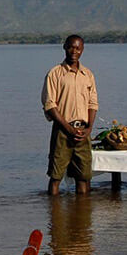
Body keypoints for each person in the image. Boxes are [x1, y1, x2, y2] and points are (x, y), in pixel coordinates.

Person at [42, 34, 99, 195]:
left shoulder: (87, 74)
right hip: (62, 131)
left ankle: (81, 210)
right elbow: (50, 105)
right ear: (65, 47)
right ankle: (53, 210)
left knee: (83, 178)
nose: (74, 51)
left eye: (78, 48)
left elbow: (93, 103)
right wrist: (68, 128)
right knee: (56, 176)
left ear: (82, 50)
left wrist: (89, 129)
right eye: (71, 47)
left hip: (83, 131)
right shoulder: (55, 73)